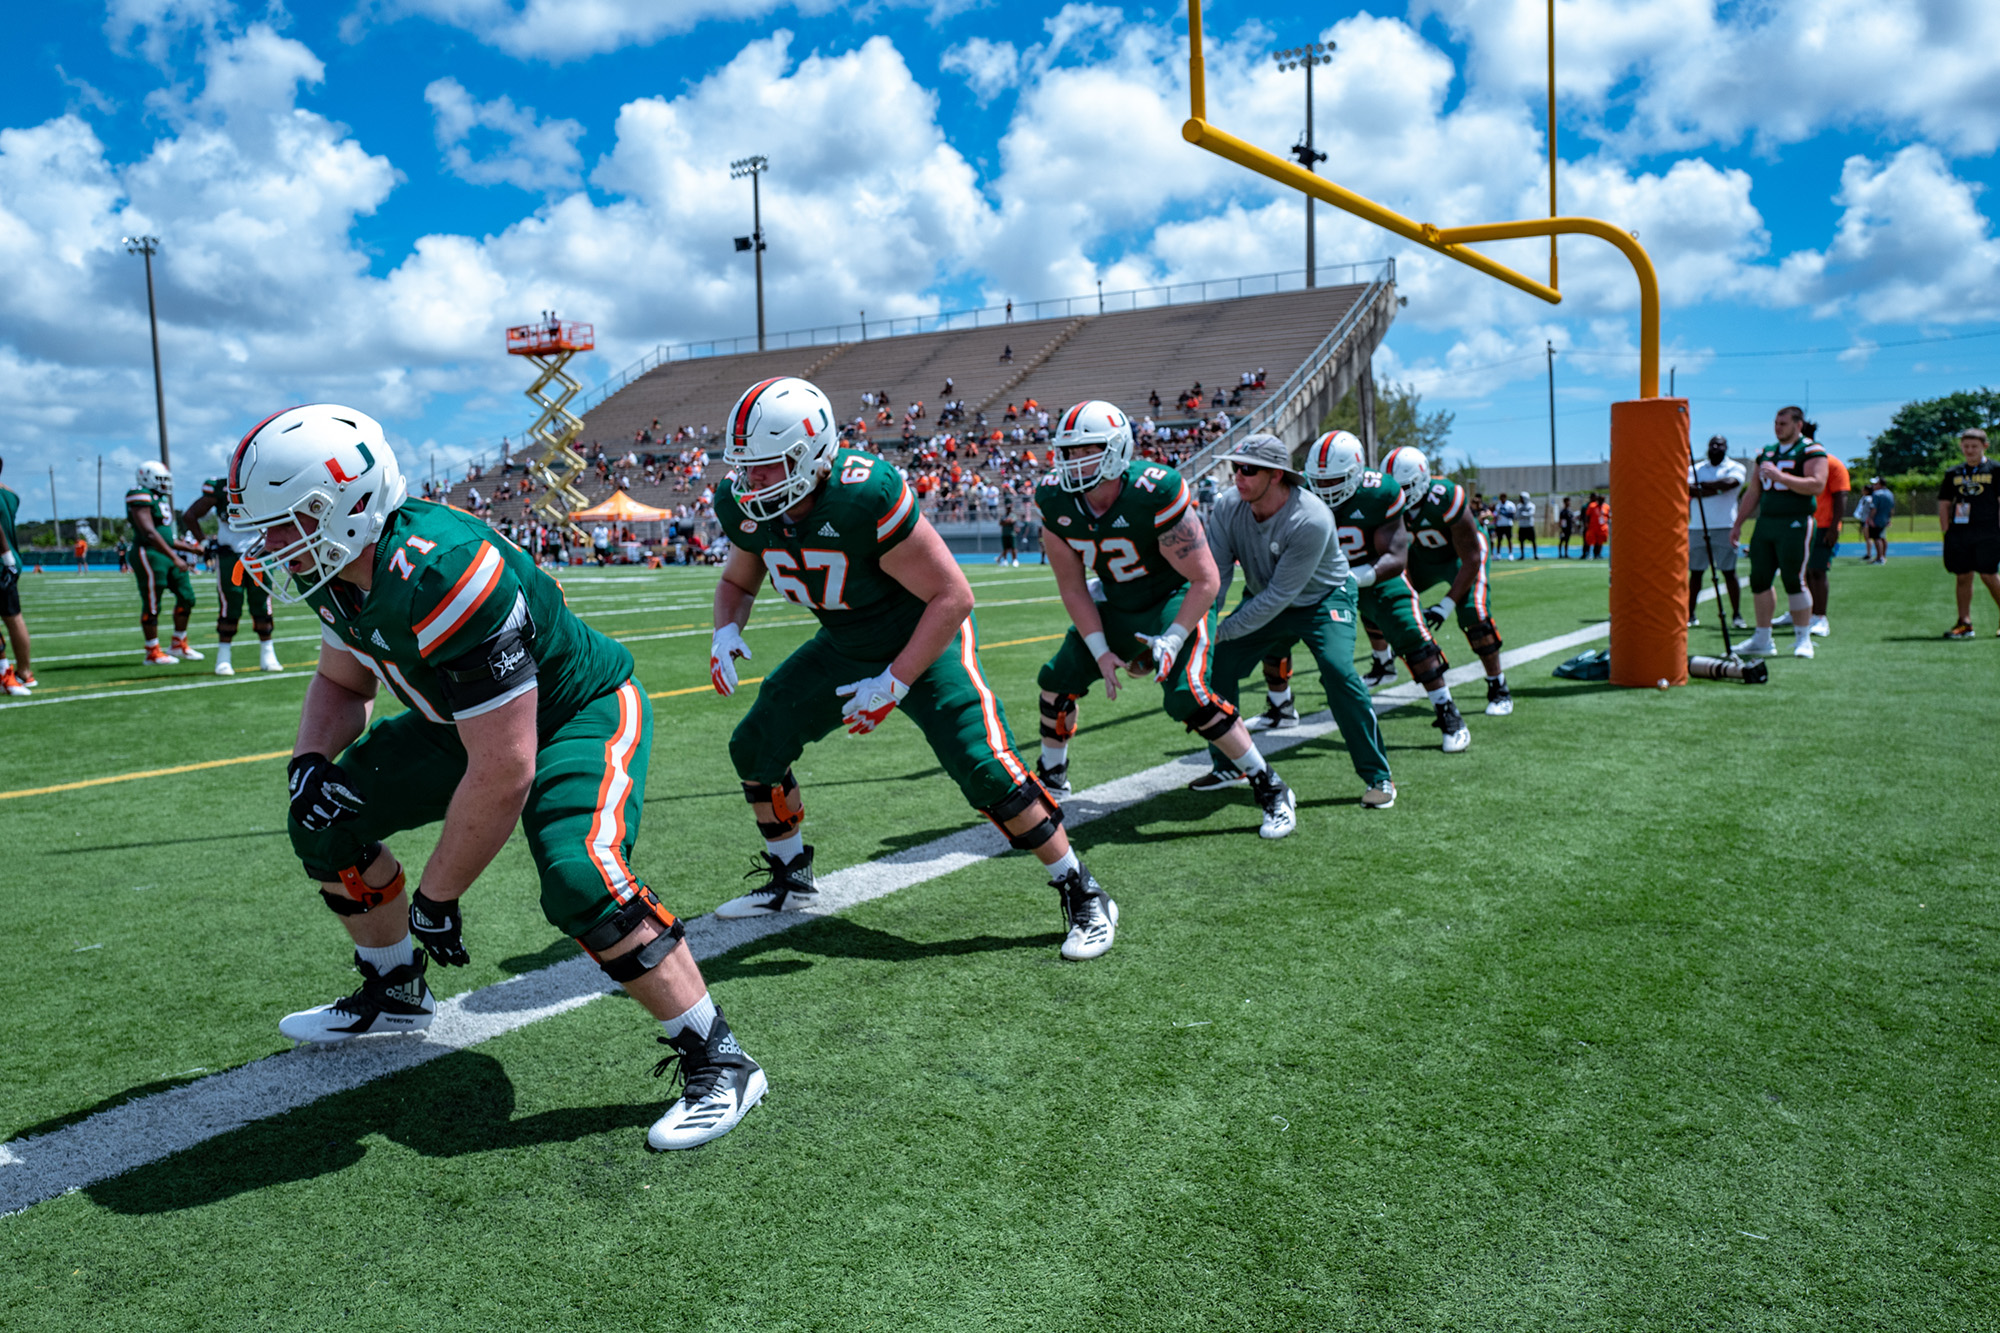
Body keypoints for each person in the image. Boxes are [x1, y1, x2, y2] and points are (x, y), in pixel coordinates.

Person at [231, 403, 762, 1151]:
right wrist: (307, 763)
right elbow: (344, 683)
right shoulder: (333, 568)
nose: (269, 543)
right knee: (322, 813)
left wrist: (438, 896)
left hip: (575, 712)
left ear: (349, 505)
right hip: (463, 721)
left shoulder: (445, 569)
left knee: (581, 874)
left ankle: (720, 1057)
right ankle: (396, 988)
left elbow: (507, 767)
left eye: (287, 521)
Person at [707, 378, 1118, 961]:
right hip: (846, 641)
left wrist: (894, 681)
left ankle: (1081, 889)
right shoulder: (746, 505)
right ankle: (790, 875)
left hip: (925, 634)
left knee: (983, 767)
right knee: (754, 746)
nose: (753, 482)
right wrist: (727, 630)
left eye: (770, 466)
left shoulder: (862, 494)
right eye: (748, 468)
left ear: (813, 454)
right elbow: (735, 581)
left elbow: (952, 596)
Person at [1032, 403, 1297, 838]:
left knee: (1187, 696)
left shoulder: (1154, 490)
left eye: (1087, 450)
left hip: (1176, 597)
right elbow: (1074, 588)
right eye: (1067, 452)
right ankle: (1053, 775)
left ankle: (1270, 785)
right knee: (1057, 679)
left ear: (1117, 450)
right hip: (1118, 602)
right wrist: (1100, 653)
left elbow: (1205, 579)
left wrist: (1172, 639)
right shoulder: (1054, 499)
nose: (1073, 462)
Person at [1198, 434, 1397, 804]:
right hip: (1266, 596)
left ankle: (1378, 776)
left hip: (1322, 599)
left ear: (1276, 475)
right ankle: (1228, 765)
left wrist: (1219, 631)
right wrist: (1202, 629)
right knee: (1216, 662)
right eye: (1235, 467)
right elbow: (1217, 577)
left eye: (1249, 469)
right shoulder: (1228, 507)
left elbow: (1279, 597)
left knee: (1339, 672)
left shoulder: (1311, 517)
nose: (1237, 476)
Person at [1305, 433, 1469, 750]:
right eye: (1318, 481)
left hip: (1375, 575)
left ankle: (1446, 709)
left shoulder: (1380, 492)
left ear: (1355, 472)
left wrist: (1354, 578)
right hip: (1323, 581)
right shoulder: (1301, 491)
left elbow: (1396, 557)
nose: (1324, 489)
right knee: (1276, 630)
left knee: (1412, 634)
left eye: (1334, 480)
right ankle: (1280, 706)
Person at [1388, 446, 1515, 716]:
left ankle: (1498, 685)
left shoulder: (1446, 496)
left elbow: (1471, 557)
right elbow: (1400, 555)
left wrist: (1446, 605)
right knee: (1382, 595)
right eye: (1394, 487)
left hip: (1462, 556)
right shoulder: (1387, 502)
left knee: (1474, 615)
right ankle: (1381, 663)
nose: (1400, 494)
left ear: (1422, 480)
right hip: (1422, 556)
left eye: (1406, 486)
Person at [1729, 405, 1828, 658]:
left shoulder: (1810, 450)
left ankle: (1803, 638)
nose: (1777, 427)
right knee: (1759, 579)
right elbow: (1754, 491)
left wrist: (1782, 477)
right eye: (1775, 422)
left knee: (1794, 579)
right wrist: (1738, 523)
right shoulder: (1767, 453)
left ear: (1798, 425)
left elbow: (1816, 485)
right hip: (1767, 522)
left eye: (1783, 423)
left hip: (1795, 521)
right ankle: (1763, 638)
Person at [181, 475, 283, 676]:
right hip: (230, 554)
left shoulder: (266, 480)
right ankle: (224, 657)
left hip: (260, 553)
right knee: (229, 604)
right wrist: (203, 542)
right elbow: (190, 515)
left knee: (262, 602)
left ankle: (268, 653)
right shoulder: (221, 487)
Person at [126, 461, 204, 665]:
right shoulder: (139, 494)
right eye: (161, 479)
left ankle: (178, 643)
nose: (165, 484)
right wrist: (175, 557)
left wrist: (191, 548)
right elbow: (150, 533)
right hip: (149, 553)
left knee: (187, 597)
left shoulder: (159, 498)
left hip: (166, 553)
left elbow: (166, 536)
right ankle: (152, 651)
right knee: (152, 604)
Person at [1940, 427, 2000, 639]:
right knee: (1963, 576)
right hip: (1960, 533)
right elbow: (1944, 504)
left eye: (1974, 446)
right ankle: (1964, 623)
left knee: (1988, 575)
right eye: (1966, 446)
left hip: (1988, 532)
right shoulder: (1953, 473)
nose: (1970, 450)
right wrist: (1946, 531)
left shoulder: (1995, 470)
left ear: (1985, 446)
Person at [1688, 434, 1747, 629]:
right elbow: (1687, 488)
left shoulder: (1736, 467)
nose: (1715, 447)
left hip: (1725, 526)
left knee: (1729, 572)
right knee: (1696, 573)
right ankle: (1690, 614)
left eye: (1720, 444)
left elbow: (1731, 483)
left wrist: (1703, 488)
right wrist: (1717, 489)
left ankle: (1736, 614)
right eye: (1712, 444)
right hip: (1698, 526)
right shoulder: (1695, 469)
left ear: (1726, 447)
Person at [1794, 442, 1848, 638]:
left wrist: (1834, 527)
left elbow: (1841, 495)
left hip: (1823, 526)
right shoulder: (1797, 463)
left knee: (1818, 571)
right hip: (1802, 524)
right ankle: (1805, 613)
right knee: (1803, 573)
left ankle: (1820, 617)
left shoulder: (1832, 463)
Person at [0, 455, 32, 696]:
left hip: (2, 558)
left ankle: (4, 673)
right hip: (10, 562)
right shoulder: (9, 495)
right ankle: (25, 672)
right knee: (14, 617)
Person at [1861, 477, 1893, 564]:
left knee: (1877, 538)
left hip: (1877, 519)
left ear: (1880, 484)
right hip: (1885, 518)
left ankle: (1879, 558)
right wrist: (1889, 519)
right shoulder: (1890, 493)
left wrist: (1870, 518)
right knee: (1883, 537)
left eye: (1875, 484)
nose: (1873, 486)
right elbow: (1891, 509)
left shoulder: (1876, 494)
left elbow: (1874, 508)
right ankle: (1883, 556)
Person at [1582, 493, 1609, 558]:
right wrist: (1586, 524)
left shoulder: (1606, 507)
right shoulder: (1592, 506)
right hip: (1593, 527)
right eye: (1600, 499)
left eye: (1602, 500)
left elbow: (1608, 516)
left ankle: (1598, 554)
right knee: (1590, 540)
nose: (1601, 501)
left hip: (1602, 527)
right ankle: (1588, 554)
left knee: (1600, 542)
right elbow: (1587, 516)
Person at [1514, 493, 1539, 560]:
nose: (1520, 499)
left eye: (1521, 498)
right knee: (1521, 541)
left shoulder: (1531, 505)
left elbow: (1530, 514)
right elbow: (1517, 516)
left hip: (1529, 526)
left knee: (1533, 541)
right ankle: (1522, 555)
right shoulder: (1519, 506)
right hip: (1522, 526)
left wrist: (1522, 514)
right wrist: (1523, 515)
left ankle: (1535, 555)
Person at [1491, 494, 1516, 559]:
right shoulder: (1498, 505)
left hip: (1508, 525)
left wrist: (1503, 513)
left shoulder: (1510, 505)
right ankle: (1498, 554)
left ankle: (1510, 554)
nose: (1502, 499)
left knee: (1509, 539)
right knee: (1499, 540)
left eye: (1503, 498)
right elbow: (1496, 515)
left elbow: (1512, 515)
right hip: (1500, 525)